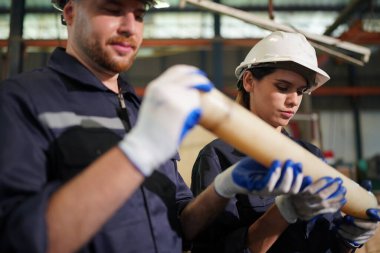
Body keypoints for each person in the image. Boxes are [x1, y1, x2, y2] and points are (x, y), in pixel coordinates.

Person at [0, 1, 315, 253]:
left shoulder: (139, 112)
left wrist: (223, 188)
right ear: (70, 12)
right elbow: (21, 239)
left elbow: (183, 223)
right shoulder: (22, 101)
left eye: (138, 14)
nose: (129, 27)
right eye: (112, 9)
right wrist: (141, 149)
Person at [190, 31, 380, 253]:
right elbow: (213, 249)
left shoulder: (311, 157)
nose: (293, 101)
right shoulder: (217, 158)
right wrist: (282, 213)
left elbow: (324, 245)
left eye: (300, 91)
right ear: (249, 81)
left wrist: (347, 240)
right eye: (283, 87)